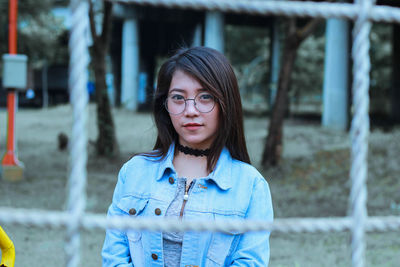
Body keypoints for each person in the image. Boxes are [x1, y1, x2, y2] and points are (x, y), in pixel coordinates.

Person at [102, 46, 273, 266]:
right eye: (178, 97)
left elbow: (249, 262)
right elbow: (113, 258)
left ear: (225, 103)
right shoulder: (134, 172)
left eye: (205, 97)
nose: (190, 110)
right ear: (165, 105)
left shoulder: (251, 186)